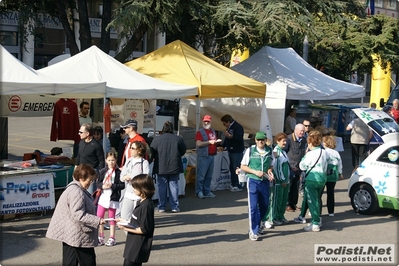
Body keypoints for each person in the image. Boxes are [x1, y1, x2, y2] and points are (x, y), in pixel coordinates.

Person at [46, 164, 106, 266]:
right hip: (79, 235)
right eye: (89, 180)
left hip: (70, 234)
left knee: (70, 262)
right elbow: (78, 214)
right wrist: (98, 220)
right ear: (81, 178)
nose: (90, 183)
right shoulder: (77, 192)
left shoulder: (73, 188)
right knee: (88, 261)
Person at [240, 131, 275, 241]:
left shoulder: (269, 151)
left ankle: (258, 223)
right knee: (253, 207)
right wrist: (255, 172)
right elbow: (243, 166)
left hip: (264, 181)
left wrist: (270, 172)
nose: (261, 142)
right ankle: (253, 230)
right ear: (255, 140)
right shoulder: (250, 150)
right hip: (253, 181)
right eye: (258, 140)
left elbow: (271, 165)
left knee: (264, 205)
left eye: (262, 140)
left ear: (265, 140)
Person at [295, 131, 330, 232]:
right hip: (322, 179)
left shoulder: (310, 154)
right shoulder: (325, 152)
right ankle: (318, 219)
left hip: (312, 179)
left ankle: (315, 223)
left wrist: (305, 155)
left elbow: (302, 166)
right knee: (318, 199)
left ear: (310, 142)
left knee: (312, 201)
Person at [117, 174, 155, 266]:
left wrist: (124, 228)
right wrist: (125, 221)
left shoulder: (146, 206)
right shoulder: (140, 201)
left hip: (138, 245)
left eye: (135, 187)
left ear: (143, 188)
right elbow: (136, 221)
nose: (133, 189)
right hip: (132, 242)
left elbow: (144, 229)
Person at [150, 121, 186, 213]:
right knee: (174, 186)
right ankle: (175, 206)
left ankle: (161, 206)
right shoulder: (178, 139)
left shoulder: (157, 139)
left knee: (162, 187)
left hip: (161, 166)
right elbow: (183, 151)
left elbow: (152, 153)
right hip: (174, 166)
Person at [97, 152, 125, 247]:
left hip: (113, 197)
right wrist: (102, 186)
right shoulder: (102, 171)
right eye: (109, 160)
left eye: (113, 160)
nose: (111, 162)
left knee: (111, 217)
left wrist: (112, 185)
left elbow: (122, 185)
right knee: (99, 216)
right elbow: (98, 183)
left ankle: (112, 237)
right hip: (103, 196)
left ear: (116, 160)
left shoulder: (118, 172)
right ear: (106, 161)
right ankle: (101, 236)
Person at [120, 141, 150, 223]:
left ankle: (135, 234)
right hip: (128, 193)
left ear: (139, 151)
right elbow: (121, 176)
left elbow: (146, 178)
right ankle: (129, 235)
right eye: (130, 148)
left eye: (133, 148)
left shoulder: (144, 163)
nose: (130, 150)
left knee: (137, 219)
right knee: (124, 218)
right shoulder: (129, 161)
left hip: (139, 195)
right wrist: (124, 177)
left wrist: (133, 178)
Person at [195, 115, 222, 199]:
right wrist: (209, 142)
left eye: (208, 121)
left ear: (210, 122)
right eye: (205, 121)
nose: (206, 123)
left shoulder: (213, 131)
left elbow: (213, 141)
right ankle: (199, 191)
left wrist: (216, 142)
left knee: (209, 176)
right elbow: (199, 144)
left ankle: (206, 191)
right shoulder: (200, 132)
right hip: (203, 156)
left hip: (211, 155)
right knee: (201, 175)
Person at [75, 123, 105, 194]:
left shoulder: (96, 145)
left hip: (91, 172)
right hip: (80, 171)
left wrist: (100, 175)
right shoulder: (81, 142)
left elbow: (101, 161)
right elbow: (79, 155)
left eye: (81, 132)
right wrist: (76, 167)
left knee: (90, 194)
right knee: (79, 192)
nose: (79, 133)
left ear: (87, 133)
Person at [284, 123, 307, 212]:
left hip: (299, 168)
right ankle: (287, 205)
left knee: (295, 187)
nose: (302, 132)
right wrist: (290, 166)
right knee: (289, 187)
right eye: (301, 131)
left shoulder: (304, 140)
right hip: (290, 167)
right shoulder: (289, 139)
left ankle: (293, 204)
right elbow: (284, 153)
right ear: (295, 130)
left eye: (303, 131)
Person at [270, 132, 290, 225]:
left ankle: (281, 215)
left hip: (286, 180)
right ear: (277, 141)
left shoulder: (283, 151)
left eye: (285, 141)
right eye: (283, 141)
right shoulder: (276, 152)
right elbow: (277, 168)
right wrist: (282, 180)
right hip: (280, 182)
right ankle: (275, 217)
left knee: (283, 200)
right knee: (277, 200)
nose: (285, 143)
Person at [321, 135, 344, 216]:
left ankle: (317, 210)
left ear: (326, 143)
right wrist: (340, 173)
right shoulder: (336, 153)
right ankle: (331, 212)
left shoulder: (324, 152)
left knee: (319, 193)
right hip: (333, 174)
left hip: (324, 174)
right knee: (330, 193)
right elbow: (340, 164)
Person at [221, 114, 245, 192]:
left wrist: (230, 136)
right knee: (232, 168)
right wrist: (223, 146)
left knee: (236, 167)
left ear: (228, 122)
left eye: (224, 123)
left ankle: (237, 185)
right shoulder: (230, 127)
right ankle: (233, 183)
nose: (224, 125)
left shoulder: (237, 127)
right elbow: (227, 139)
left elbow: (239, 138)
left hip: (237, 150)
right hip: (231, 150)